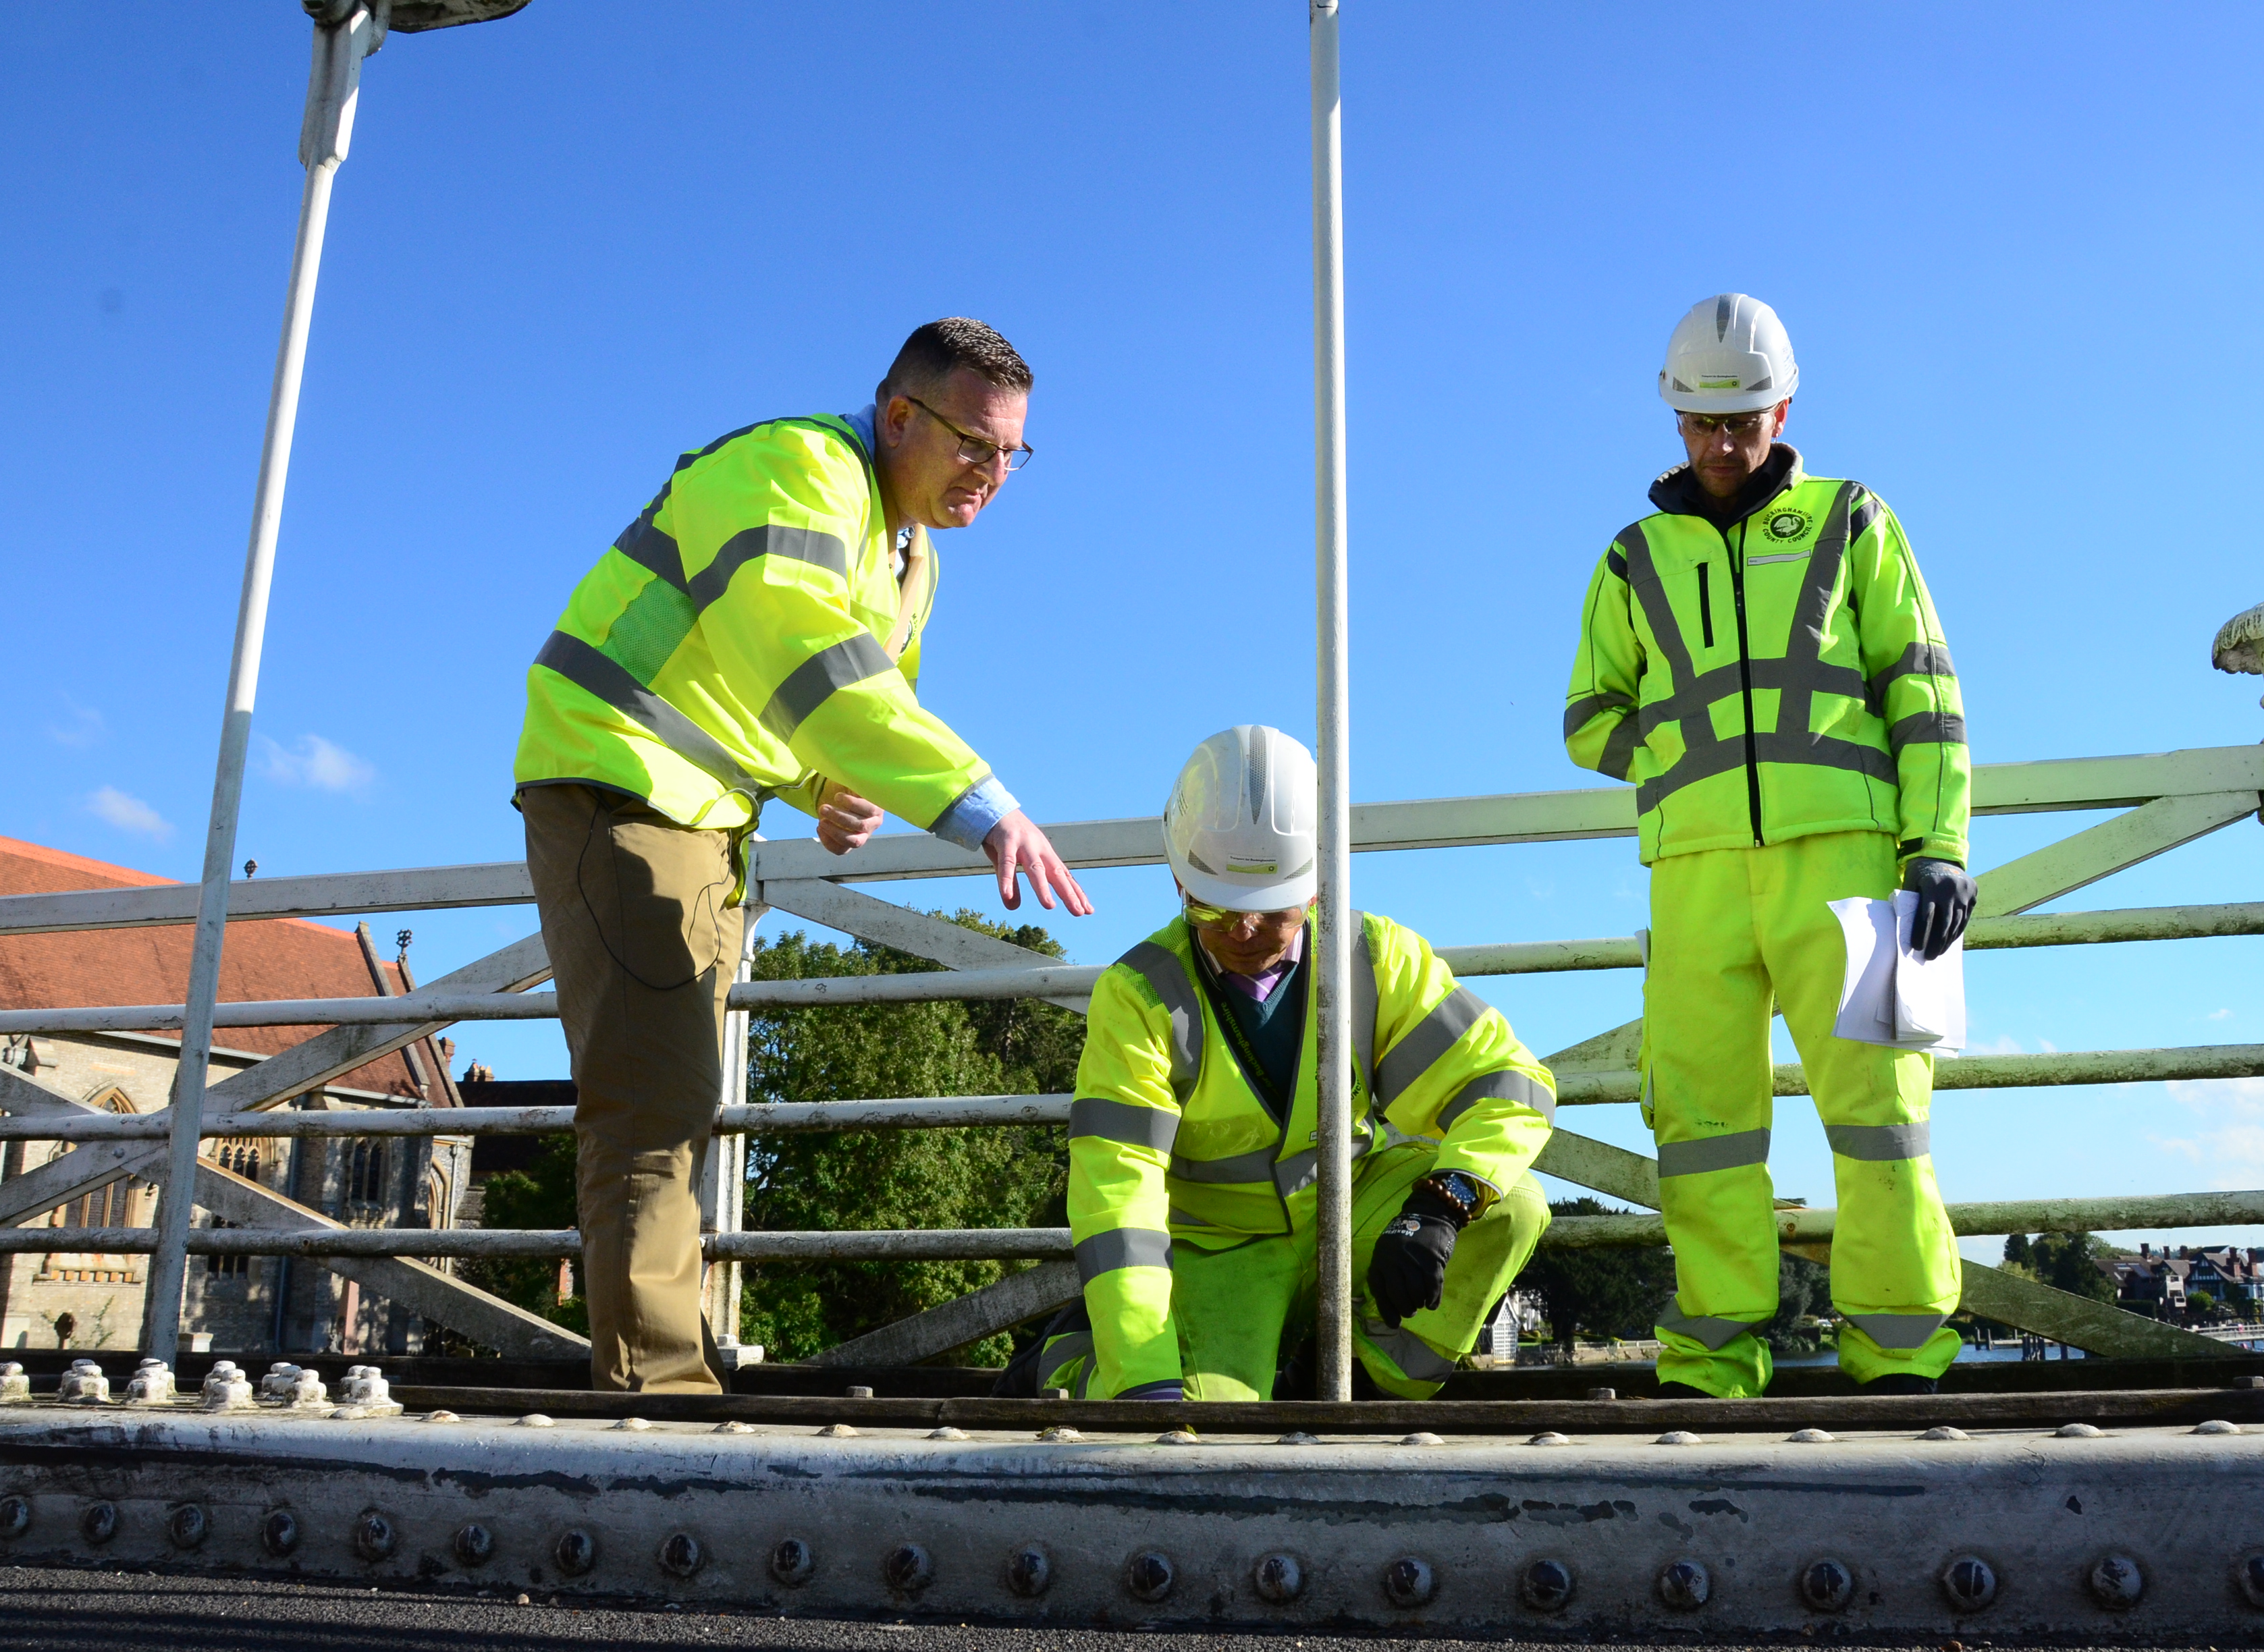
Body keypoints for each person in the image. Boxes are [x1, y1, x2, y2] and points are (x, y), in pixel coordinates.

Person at [514, 317, 1091, 1394]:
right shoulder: (795, 467)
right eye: (975, 442)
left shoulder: (911, 558)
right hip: (620, 780)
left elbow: (831, 707)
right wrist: (982, 805)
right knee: (652, 1107)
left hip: (703, 808)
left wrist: (825, 789)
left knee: (671, 1104)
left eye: (1014, 452)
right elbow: (796, 650)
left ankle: (664, 1382)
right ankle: (660, 1407)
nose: (995, 473)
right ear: (900, 415)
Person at [1561, 294, 1975, 1399]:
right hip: (1694, 874)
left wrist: (1935, 843)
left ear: (1782, 405)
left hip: (1848, 860)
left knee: (1881, 1115)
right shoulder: (1631, 556)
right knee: (1700, 1126)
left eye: (1742, 418)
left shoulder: (1854, 517)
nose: (1723, 442)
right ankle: (1712, 1356)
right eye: (1702, 422)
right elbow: (1586, 716)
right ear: (1673, 418)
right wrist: (1687, 744)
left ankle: (1899, 1358)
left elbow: (1923, 691)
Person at [1031, 725, 1554, 1402]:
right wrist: (1144, 1382)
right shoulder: (1139, 996)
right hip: (1219, 1252)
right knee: (1198, 1417)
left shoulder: (1376, 958)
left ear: (1315, 892)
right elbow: (1117, 1195)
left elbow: (1510, 1085)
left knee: (1512, 1204)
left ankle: (1364, 1385)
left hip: (1350, 1209)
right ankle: (1074, 1363)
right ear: (1177, 882)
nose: (1241, 933)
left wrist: (1441, 1203)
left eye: (1269, 911)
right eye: (1214, 908)